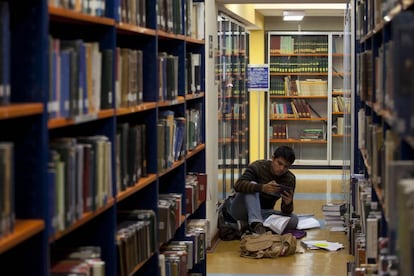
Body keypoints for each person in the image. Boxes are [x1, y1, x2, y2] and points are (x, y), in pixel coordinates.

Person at [227, 145, 299, 234]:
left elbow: (286, 212)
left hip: (264, 212)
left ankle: (248, 226)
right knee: (252, 185)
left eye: (286, 167)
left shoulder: (289, 179)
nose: (281, 169)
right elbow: (238, 185)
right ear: (273, 159)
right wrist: (262, 188)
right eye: (279, 163)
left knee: (294, 220)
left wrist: (288, 203)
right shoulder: (258, 166)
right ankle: (256, 224)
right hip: (241, 209)